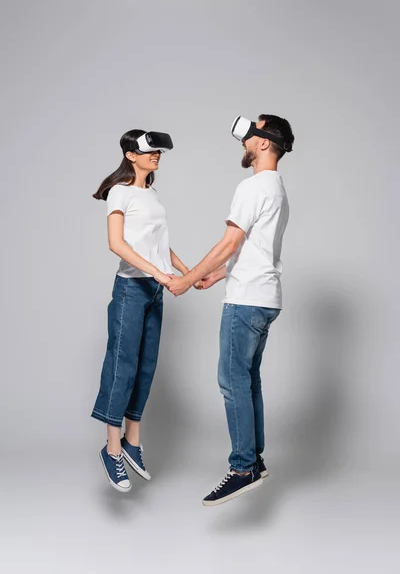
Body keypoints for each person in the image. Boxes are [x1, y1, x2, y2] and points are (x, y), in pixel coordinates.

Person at [167, 114, 294, 506]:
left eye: (251, 133)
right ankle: (254, 459)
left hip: (246, 301)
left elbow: (229, 242)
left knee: (230, 379)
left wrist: (187, 280)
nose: (244, 141)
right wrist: (219, 276)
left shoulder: (253, 186)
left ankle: (242, 469)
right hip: (264, 297)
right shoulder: (278, 189)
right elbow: (253, 251)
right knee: (247, 380)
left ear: (263, 143)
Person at [91, 128, 189, 492]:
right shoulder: (120, 192)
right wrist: (158, 274)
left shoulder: (153, 194)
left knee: (147, 365)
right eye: (150, 150)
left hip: (154, 289)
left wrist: (186, 271)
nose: (157, 155)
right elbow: (116, 244)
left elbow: (158, 246)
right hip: (132, 289)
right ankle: (112, 448)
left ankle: (133, 440)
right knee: (122, 365)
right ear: (130, 154)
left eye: (159, 151)